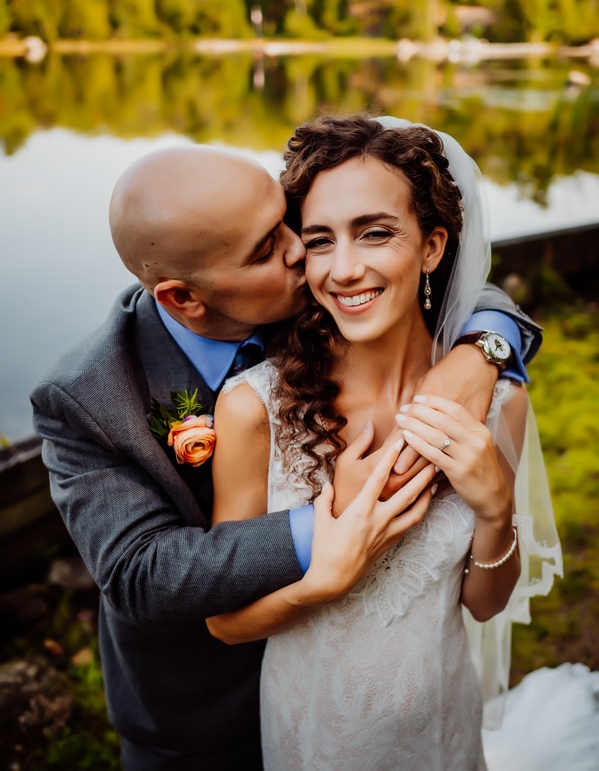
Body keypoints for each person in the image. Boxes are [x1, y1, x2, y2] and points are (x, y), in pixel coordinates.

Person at [30, 141, 542, 770]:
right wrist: (329, 522)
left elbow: (432, 277)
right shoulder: (87, 398)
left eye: (289, 223)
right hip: (202, 710)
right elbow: (142, 571)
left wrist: (483, 350)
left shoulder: (316, 294)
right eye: (271, 247)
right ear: (185, 299)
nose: (303, 251)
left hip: (424, 711)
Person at [207, 116, 562, 770]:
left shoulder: (496, 400)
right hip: (307, 729)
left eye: (374, 233)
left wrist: (494, 508)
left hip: (437, 728)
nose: (343, 269)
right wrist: (325, 579)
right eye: (319, 241)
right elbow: (224, 622)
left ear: (431, 247)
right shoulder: (252, 406)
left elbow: (483, 606)